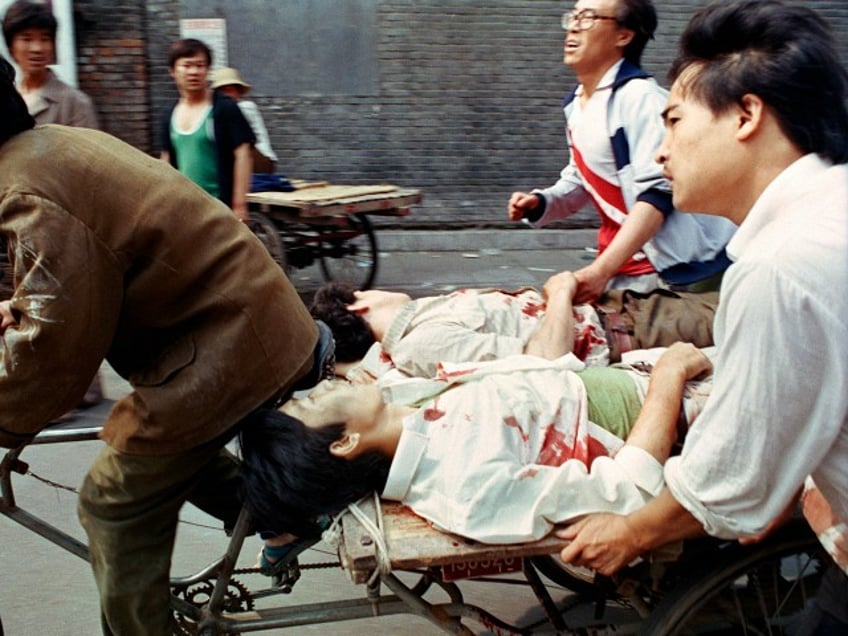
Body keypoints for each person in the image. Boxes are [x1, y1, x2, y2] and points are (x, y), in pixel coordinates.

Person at [0, 56, 326, 635]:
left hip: (228, 340)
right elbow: (70, 290)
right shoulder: (48, 146)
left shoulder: (26, 191)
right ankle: (284, 515)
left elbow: (56, 347)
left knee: (112, 501)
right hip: (235, 324)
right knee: (143, 441)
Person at [556, 3, 848, 632]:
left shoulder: (784, 264)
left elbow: (733, 479)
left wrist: (632, 530)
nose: (662, 153)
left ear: (747, 115)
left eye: (675, 122)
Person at [241, 343, 713, 545]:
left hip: (646, 373)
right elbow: (631, 489)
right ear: (345, 443)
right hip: (690, 412)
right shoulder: (466, 487)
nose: (318, 391)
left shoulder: (407, 405)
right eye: (307, 406)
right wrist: (668, 379)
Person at [508, 0, 735, 304]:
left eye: (588, 17)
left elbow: (659, 193)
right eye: (573, 16)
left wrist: (601, 270)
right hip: (625, 266)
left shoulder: (641, 99)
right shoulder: (577, 105)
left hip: (669, 268)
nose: (574, 26)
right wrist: (541, 202)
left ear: (623, 36)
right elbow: (582, 179)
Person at [311, 277, 717, 378]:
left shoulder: (421, 322)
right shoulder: (420, 345)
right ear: (360, 302)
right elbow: (545, 360)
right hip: (638, 335)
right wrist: (560, 292)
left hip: (628, 313)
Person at [160, 39, 255, 221]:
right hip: (184, 209)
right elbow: (166, 160)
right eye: (186, 65)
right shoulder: (169, 113)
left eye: (200, 65)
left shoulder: (224, 108)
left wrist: (239, 205)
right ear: (173, 71)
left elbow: (244, 154)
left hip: (219, 209)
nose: (194, 72)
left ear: (207, 70)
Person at [2, 0, 98, 128]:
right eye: (27, 39)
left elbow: (87, 148)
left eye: (45, 39)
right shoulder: (7, 99)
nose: (37, 48)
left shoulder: (75, 103)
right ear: (11, 47)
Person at [211, 66, 278, 174]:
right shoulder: (216, 110)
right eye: (221, 91)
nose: (225, 95)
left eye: (229, 90)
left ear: (238, 92)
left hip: (261, 160)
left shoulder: (246, 107)